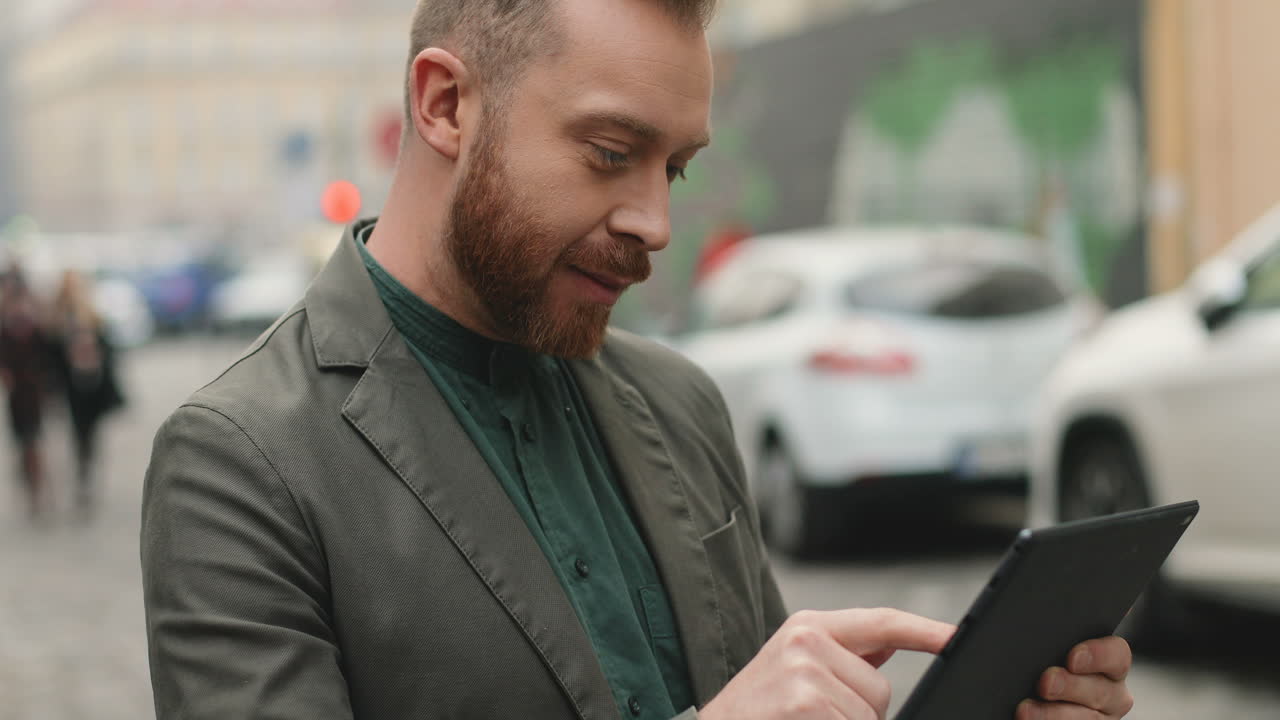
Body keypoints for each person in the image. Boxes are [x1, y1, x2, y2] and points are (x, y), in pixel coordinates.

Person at [140, 1, 1136, 718]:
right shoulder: (240, 464)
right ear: (444, 106)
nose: (656, 222)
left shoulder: (681, 402)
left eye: (675, 168)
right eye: (610, 153)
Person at [49, 269, 125, 516]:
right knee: (78, 431)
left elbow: (108, 347)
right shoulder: (59, 318)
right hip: (72, 385)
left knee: (91, 433)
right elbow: (52, 351)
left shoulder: (92, 315)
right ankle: (82, 473)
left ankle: (87, 471)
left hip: (93, 382)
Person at [0, 265, 50, 517]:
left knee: (32, 441)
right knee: (22, 442)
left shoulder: (35, 326)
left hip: (33, 393)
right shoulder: (5, 328)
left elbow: (49, 356)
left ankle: (36, 488)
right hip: (16, 394)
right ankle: (28, 477)